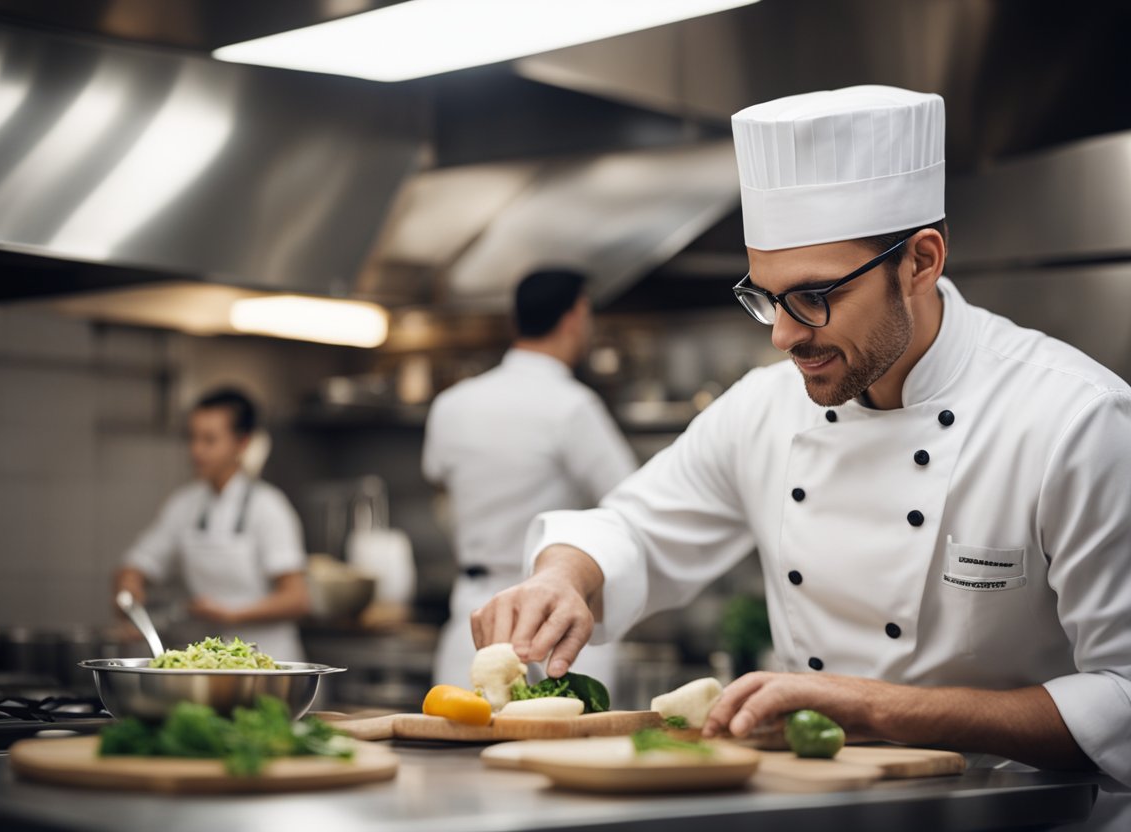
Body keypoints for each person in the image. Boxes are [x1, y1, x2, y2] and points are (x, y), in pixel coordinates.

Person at [472, 87, 1131, 793]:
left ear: (921, 262)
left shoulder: (1074, 420)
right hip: (806, 803)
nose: (784, 336)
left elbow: (1123, 697)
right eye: (765, 297)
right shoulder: (766, 407)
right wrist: (561, 576)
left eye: (815, 296)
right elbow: (635, 525)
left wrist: (878, 707)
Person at [423, 268, 637, 688]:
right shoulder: (573, 406)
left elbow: (440, 485)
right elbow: (630, 501)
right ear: (577, 314)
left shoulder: (451, 405)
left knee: (460, 743)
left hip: (477, 611)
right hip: (560, 613)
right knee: (571, 748)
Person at [114, 388, 311, 660]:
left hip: (270, 664)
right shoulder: (184, 505)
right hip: (211, 666)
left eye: (209, 440)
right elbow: (137, 564)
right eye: (192, 438)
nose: (196, 450)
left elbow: (297, 599)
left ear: (242, 444)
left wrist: (232, 614)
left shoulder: (269, 507)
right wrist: (129, 590)